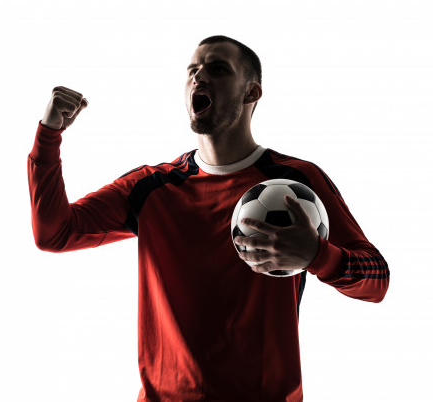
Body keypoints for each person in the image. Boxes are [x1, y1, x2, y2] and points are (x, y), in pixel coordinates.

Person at [27, 35, 389, 402]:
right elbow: (54, 233)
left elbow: (377, 281)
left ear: (251, 93)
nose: (199, 78)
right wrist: (48, 135)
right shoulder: (152, 187)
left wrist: (316, 255)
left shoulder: (295, 183)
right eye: (192, 71)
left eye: (217, 69)